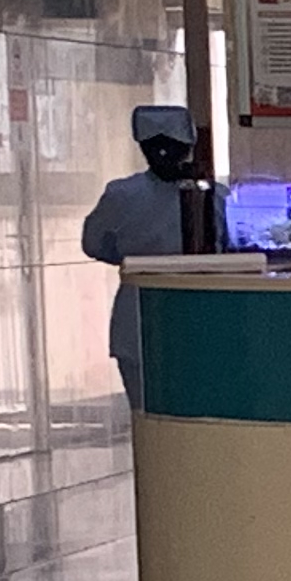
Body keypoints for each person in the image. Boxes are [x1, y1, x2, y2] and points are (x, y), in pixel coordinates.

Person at [80, 104, 197, 408]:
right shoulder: (214, 196)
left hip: (135, 322)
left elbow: (94, 244)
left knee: (144, 414)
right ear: (189, 147)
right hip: (198, 318)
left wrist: (130, 259)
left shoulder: (120, 195)